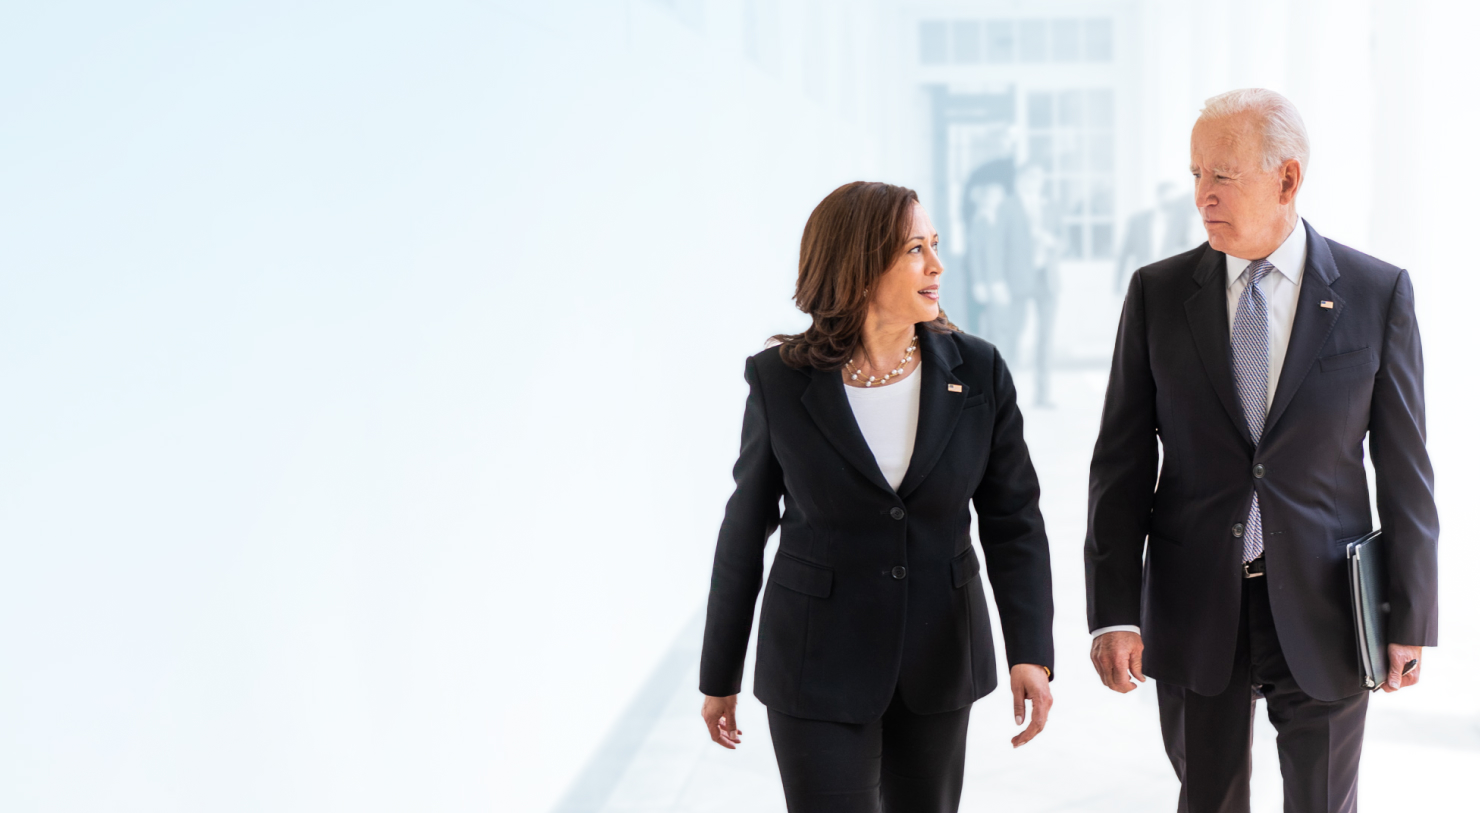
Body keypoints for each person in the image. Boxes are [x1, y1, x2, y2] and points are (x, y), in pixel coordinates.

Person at [1085, 89, 1438, 813]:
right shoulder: (1156, 294)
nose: (1202, 196)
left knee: (1324, 803)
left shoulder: (1377, 294)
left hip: (1326, 604)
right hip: (1193, 600)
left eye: (1222, 175)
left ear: (1287, 179)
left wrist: (1412, 614)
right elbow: (1119, 465)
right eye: (1195, 175)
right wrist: (1113, 610)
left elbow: (1406, 471)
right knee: (1207, 800)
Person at [700, 181, 1055, 813]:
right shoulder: (780, 381)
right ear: (860, 266)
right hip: (815, 661)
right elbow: (744, 528)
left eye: (935, 246)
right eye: (915, 249)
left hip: (938, 657)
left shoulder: (978, 370)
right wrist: (719, 673)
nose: (937, 266)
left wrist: (1032, 651)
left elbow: (1014, 522)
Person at [1016, 163, 1060, 407]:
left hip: (1047, 280)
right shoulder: (1008, 206)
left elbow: (1064, 240)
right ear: (1021, 179)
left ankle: (1042, 395)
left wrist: (1051, 240)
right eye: (1032, 177)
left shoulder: (1050, 205)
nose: (1037, 182)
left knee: (1045, 338)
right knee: (1013, 336)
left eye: (1041, 178)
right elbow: (999, 242)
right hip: (1018, 281)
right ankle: (1007, 396)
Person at [1115, 180, 1200, 291]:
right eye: (1168, 200)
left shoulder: (1181, 223)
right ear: (1159, 197)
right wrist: (1117, 286)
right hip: (1143, 280)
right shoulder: (1138, 222)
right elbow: (1124, 255)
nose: (1172, 204)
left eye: (1175, 201)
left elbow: (1187, 252)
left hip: (1169, 282)